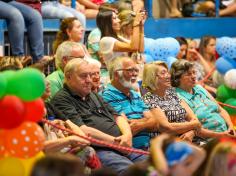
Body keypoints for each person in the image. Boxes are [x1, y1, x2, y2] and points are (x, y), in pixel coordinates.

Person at [50, 58, 147, 174]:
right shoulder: (62, 99)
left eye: (90, 76)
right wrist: (116, 143)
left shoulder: (93, 95)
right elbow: (82, 130)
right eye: (83, 76)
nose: (89, 80)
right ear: (68, 77)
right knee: (129, 171)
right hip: (101, 149)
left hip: (123, 145)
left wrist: (127, 135)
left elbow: (118, 116)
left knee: (153, 166)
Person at [170, 59, 236, 140]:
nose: (194, 76)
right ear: (177, 78)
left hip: (226, 133)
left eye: (194, 72)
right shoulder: (177, 97)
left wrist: (231, 127)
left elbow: (220, 110)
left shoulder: (199, 88)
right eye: (188, 74)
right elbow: (196, 129)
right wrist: (222, 135)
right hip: (208, 140)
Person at [101, 57, 158, 149]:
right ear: (116, 74)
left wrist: (141, 124)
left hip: (147, 148)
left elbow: (155, 123)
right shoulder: (107, 95)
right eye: (130, 70)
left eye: (136, 70)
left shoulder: (135, 95)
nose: (135, 74)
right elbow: (127, 126)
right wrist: (146, 121)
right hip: (129, 151)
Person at [142, 61, 201, 142]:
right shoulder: (148, 99)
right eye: (163, 73)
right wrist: (193, 125)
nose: (168, 76)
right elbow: (167, 127)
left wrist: (192, 132)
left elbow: (194, 118)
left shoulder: (171, 92)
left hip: (189, 139)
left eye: (167, 72)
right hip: (167, 144)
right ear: (152, 77)